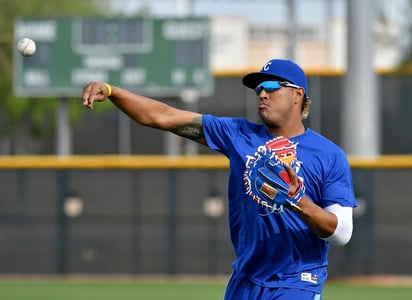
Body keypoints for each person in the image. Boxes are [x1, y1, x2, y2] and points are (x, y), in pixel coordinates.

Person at [82, 58, 356, 300]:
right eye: (258, 88)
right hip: (246, 280)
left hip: (297, 281)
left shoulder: (329, 155)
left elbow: (342, 233)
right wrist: (111, 90)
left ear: (298, 95)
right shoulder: (237, 134)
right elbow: (163, 116)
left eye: (271, 86)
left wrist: (299, 202)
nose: (262, 93)